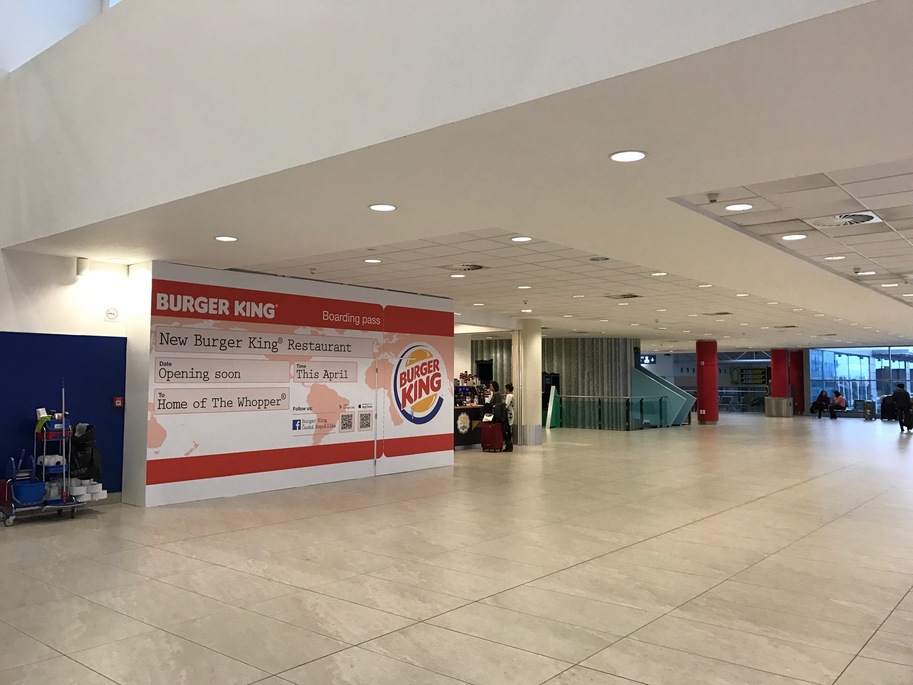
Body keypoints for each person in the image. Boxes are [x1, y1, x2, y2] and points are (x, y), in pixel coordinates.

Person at [503, 383, 515, 451]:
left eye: (505, 389)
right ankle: (509, 444)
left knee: (507, 430)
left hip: (509, 414)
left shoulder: (509, 396)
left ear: (507, 389)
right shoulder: (512, 395)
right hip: (511, 413)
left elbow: (506, 405)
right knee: (509, 429)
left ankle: (509, 445)